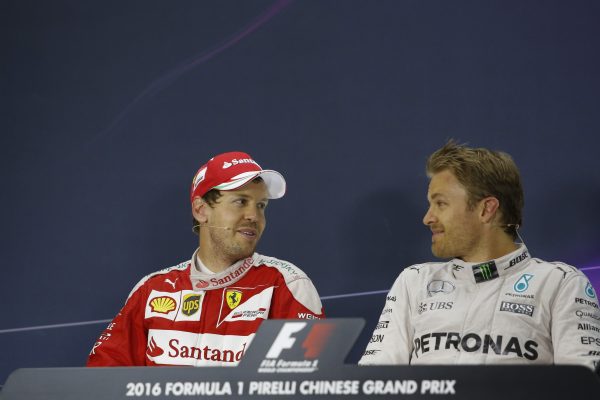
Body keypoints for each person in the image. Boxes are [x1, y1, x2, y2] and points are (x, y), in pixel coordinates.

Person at [359, 141, 600, 369]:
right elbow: (374, 381)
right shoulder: (414, 281)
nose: (428, 218)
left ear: (487, 209)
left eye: (440, 204)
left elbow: (584, 385)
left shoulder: (561, 284)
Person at [87, 151, 325, 367]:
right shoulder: (151, 290)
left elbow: (308, 386)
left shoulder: (287, 285)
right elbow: (101, 380)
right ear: (201, 210)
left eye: (261, 205)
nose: (254, 216)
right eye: (241, 201)